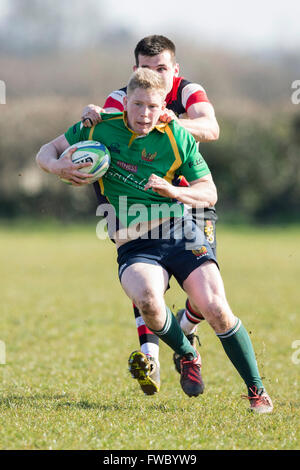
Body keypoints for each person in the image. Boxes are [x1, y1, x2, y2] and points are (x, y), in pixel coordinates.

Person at [36, 68, 273, 413]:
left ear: (163, 106)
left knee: (217, 309)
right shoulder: (99, 127)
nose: (145, 114)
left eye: (152, 106)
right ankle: (188, 353)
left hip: (179, 232)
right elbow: (47, 149)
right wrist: (56, 166)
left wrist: (173, 189)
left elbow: (209, 191)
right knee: (147, 299)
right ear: (125, 102)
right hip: (135, 245)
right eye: (137, 105)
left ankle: (257, 391)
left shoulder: (175, 135)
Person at [80, 35, 220, 394]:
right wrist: (91, 115)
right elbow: (102, 123)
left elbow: (211, 128)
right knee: (142, 277)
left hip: (190, 199)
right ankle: (151, 357)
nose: (154, 75)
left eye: (161, 69)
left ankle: (185, 331)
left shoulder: (188, 91)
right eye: (146, 69)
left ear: (175, 69)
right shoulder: (125, 95)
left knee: (208, 297)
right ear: (134, 70)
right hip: (134, 203)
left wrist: (171, 122)